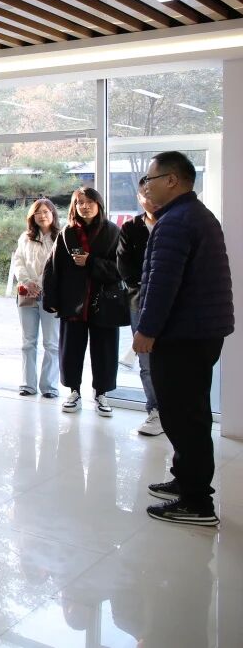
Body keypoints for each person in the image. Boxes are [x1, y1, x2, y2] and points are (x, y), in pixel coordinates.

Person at [134, 151, 234, 527]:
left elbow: (163, 283)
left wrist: (147, 330)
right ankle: (185, 479)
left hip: (184, 335)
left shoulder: (176, 221)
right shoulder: (194, 214)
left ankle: (196, 502)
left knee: (184, 417)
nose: (146, 186)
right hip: (199, 331)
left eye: (150, 179)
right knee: (188, 412)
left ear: (172, 180)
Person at [43, 187, 123, 417]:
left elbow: (120, 269)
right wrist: (52, 299)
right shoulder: (67, 233)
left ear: (99, 204)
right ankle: (74, 392)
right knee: (71, 350)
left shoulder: (113, 231)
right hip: (73, 302)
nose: (85, 206)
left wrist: (91, 262)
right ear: (74, 206)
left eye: (90, 202)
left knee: (105, 350)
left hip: (104, 302)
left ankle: (101, 394)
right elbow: (52, 268)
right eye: (80, 202)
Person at [118, 191, 162, 436]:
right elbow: (123, 263)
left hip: (172, 301)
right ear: (139, 197)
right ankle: (155, 410)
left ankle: (174, 412)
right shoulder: (131, 227)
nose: (151, 198)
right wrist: (142, 285)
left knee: (173, 358)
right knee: (145, 359)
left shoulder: (173, 222)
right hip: (139, 299)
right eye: (146, 194)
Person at [10, 198, 61, 399]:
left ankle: (49, 386)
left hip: (51, 296)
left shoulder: (61, 237)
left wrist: (38, 284)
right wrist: (27, 282)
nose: (42, 216)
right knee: (28, 342)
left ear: (53, 214)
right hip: (26, 295)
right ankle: (27, 384)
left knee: (51, 344)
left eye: (46, 211)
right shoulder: (25, 237)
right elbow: (18, 261)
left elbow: (56, 266)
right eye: (37, 212)